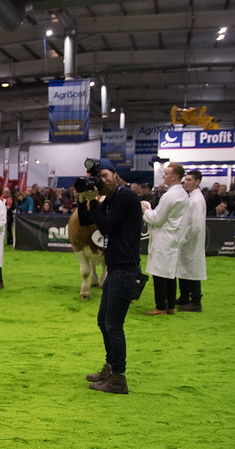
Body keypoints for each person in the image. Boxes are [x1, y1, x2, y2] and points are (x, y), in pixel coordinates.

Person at [77, 158, 142, 394]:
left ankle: (119, 379)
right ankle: (111, 368)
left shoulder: (124, 196)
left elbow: (105, 226)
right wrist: (82, 198)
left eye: (105, 175)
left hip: (125, 269)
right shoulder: (111, 198)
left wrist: (94, 202)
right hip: (116, 268)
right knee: (103, 321)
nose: (102, 180)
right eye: (99, 177)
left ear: (115, 174)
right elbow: (86, 220)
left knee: (113, 324)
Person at [142, 163, 189, 316]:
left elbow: (157, 219)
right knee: (170, 273)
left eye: (166, 173)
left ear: (175, 176)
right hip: (174, 236)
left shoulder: (169, 196)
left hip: (164, 237)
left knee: (160, 273)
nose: (164, 176)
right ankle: (170, 306)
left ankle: (160, 306)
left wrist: (145, 210)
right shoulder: (182, 194)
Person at [176, 170, 207, 312]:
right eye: (185, 180)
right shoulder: (191, 198)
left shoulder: (197, 200)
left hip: (191, 242)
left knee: (193, 270)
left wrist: (184, 239)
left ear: (197, 181)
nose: (186, 183)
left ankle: (195, 301)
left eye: (189, 180)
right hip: (186, 242)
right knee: (184, 269)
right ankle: (184, 297)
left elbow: (196, 226)